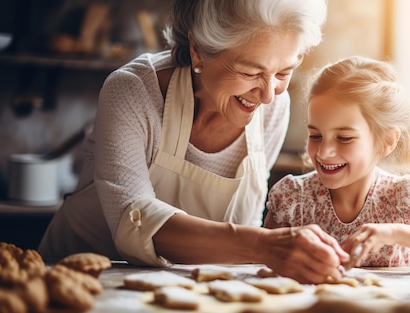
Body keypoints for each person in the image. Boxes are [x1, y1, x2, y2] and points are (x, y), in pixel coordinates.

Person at [38, 0, 350, 284]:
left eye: (284, 72)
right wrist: (266, 245)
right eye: (250, 71)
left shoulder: (272, 108)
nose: (269, 94)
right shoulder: (133, 91)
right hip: (83, 280)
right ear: (199, 50)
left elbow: (245, 225)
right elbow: (132, 218)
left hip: (191, 289)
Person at [264, 56, 410, 267]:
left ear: (387, 141)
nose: (324, 152)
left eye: (344, 138)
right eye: (316, 136)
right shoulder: (293, 197)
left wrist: (392, 232)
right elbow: (259, 260)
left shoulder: (401, 196)